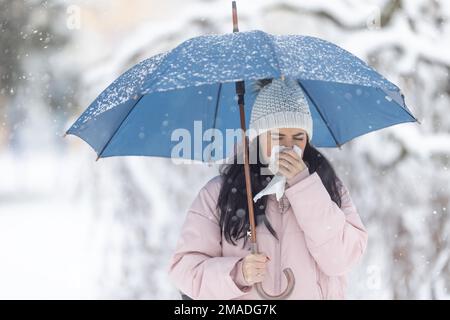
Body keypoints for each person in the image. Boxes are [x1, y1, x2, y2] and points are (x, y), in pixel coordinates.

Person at [167, 78, 368, 299]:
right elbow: (185, 271)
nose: (289, 146)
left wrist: (304, 186)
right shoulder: (218, 194)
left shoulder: (328, 188)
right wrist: (237, 273)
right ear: (258, 139)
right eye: (278, 137)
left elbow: (341, 259)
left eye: (298, 138)